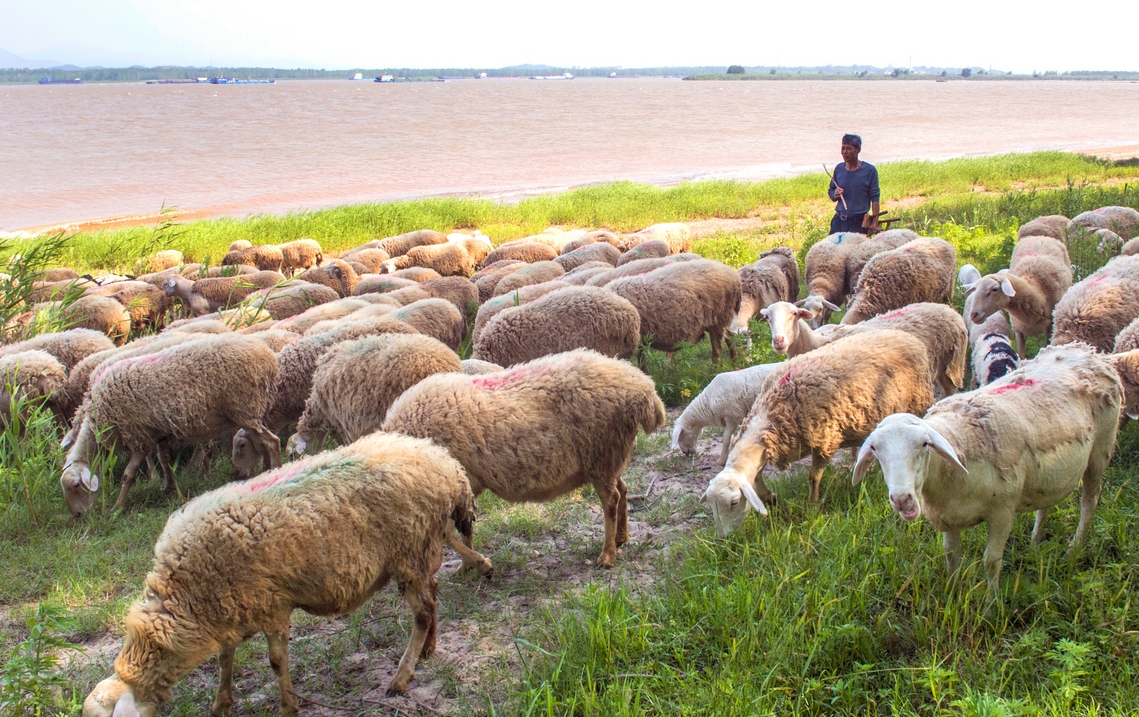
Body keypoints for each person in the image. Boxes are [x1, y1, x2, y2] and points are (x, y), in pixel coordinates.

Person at [828, 134, 880, 235]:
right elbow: (831, 190)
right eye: (843, 148)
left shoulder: (869, 171)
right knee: (832, 249)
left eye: (849, 148)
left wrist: (875, 221)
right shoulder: (839, 169)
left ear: (858, 150)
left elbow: (875, 198)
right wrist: (835, 194)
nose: (844, 152)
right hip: (838, 222)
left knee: (856, 251)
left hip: (858, 224)